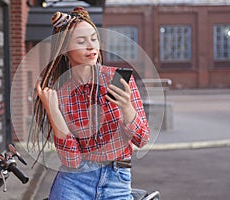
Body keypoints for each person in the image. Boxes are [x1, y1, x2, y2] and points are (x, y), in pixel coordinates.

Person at [29, 7, 150, 200]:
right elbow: (72, 160)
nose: (91, 46)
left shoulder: (117, 79)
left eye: (94, 38)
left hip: (117, 179)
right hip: (74, 181)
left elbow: (142, 139)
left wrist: (126, 107)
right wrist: (53, 111)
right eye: (81, 41)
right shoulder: (61, 93)